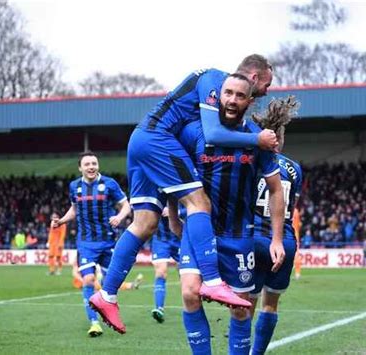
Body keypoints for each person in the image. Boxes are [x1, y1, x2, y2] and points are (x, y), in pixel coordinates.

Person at [90, 54, 277, 334]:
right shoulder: (216, 79)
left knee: (144, 224)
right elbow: (213, 133)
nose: (267, 91)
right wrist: (257, 139)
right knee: (199, 201)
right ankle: (214, 282)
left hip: (143, 140)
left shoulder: (215, 86)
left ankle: (106, 295)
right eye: (267, 84)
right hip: (157, 139)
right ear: (254, 77)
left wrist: (173, 215)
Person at [175, 73, 285, 355]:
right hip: (200, 230)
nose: (232, 100)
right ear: (218, 96)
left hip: (239, 235)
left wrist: (276, 239)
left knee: (240, 307)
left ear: (249, 101)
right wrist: (173, 217)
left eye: (239, 95)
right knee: (189, 292)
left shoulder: (257, 139)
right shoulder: (194, 132)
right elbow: (172, 176)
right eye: (228, 93)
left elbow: (275, 189)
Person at [51, 151, 131, 337]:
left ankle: (108, 311)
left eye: (94, 163)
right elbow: (74, 209)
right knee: (88, 279)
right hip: (86, 242)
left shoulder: (109, 184)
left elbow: (126, 205)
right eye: (87, 164)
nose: (91, 167)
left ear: (98, 165)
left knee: (110, 282)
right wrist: (62, 221)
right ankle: (94, 322)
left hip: (108, 241)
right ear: (80, 168)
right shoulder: (74, 186)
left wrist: (119, 217)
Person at [249, 95, 302, 355]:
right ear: (280, 138)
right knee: (270, 305)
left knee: (245, 304)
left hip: (252, 239)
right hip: (283, 242)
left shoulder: (250, 163)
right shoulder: (295, 168)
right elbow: (291, 206)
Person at [150, 207, 181, 323]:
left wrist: (175, 211)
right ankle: (159, 308)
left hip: (180, 237)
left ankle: (191, 308)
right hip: (160, 239)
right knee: (160, 272)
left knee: (185, 274)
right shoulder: (155, 191)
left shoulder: (180, 192)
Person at [47, 211, 66, 275]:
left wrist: (60, 243)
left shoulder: (62, 224)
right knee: (50, 256)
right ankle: (52, 270)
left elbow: (63, 234)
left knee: (58, 257)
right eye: (53, 217)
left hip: (58, 243)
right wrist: (48, 242)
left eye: (55, 217)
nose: (53, 218)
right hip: (52, 243)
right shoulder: (52, 224)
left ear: (58, 217)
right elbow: (51, 234)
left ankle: (59, 270)